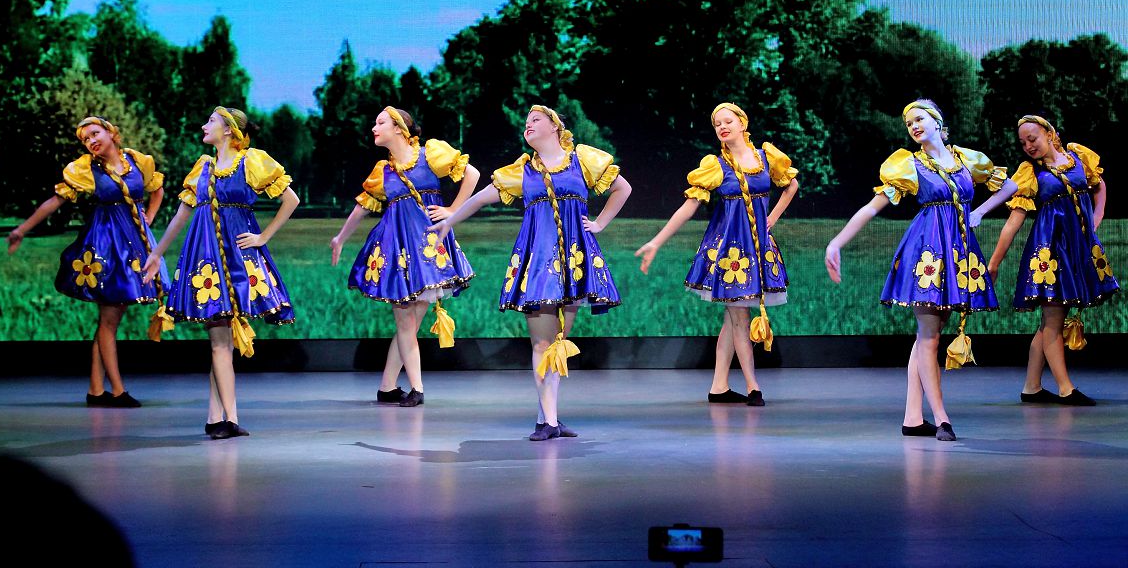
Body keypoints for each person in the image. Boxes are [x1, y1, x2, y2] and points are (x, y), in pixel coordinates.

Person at [432, 105, 632, 440]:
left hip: (573, 262)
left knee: (558, 341)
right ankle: (549, 422)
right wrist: (449, 221)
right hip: (538, 265)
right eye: (526, 122)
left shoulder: (582, 160)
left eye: (536, 119)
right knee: (541, 342)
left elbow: (622, 188)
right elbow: (479, 200)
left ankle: (547, 418)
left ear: (555, 126)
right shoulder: (521, 171)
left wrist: (599, 223)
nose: (528, 124)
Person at [825, 99, 1016, 441]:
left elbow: (1011, 186)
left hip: (957, 251)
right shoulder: (909, 165)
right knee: (929, 334)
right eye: (908, 123)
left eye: (919, 119)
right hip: (927, 250)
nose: (913, 126)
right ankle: (942, 418)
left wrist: (979, 211)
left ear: (937, 122)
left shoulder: (966, 159)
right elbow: (872, 208)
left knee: (932, 332)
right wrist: (836, 243)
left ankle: (913, 418)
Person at [143, 107, 299, 439]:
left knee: (221, 341)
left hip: (237, 257)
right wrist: (156, 253)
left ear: (228, 129)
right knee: (219, 340)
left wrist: (263, 237)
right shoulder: (202, 168)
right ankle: (224, 419)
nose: (204, 125)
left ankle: (221, 418)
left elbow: (291, 199)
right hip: (206, 257)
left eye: (211, 121)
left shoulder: (251, 161)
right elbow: (181, 216)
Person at [635, 102, 800, 405]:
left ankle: (719, 386)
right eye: (717, 124)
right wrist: (657, 242)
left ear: (742, 123)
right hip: (729, 252)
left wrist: (772, 217)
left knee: (733, 317)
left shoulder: (766, 157)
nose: (722, 127)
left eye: (728, 121)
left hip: (756, 246)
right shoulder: (716, 166)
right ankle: (753, 386)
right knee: (739, 316)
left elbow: (791, 185)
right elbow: (689, 206)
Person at [7, 116, 168, 408]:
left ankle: (96, 390)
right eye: (85, 139)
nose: (91, 141)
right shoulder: (87, 169)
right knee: (109, 319)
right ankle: (117, 391)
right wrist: (22, 229)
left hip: (134, 243)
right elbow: (55, 201)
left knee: (110, 320)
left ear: (110, 132)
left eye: (95, 133)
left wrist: (149, 218)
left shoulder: (136, 161)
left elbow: (157, 189)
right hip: (108, 246)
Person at [330, 107, 478, 407]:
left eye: (380, 122)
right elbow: (362, 207)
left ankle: (387, 387)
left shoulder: (429, 154)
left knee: (409, 324)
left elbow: (472, 174)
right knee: (406, 323)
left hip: (427, 250)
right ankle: (416, 388)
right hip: (398, 250)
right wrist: (340, 238)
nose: (374, 127)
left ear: (399, 128)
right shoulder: (382, 171)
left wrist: (452, 211)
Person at [987, 115, 1117, 406]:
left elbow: (1099, 185)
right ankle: (1065, 388)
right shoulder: (1030, 173)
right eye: (1023, 143)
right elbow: (1013, 222)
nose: (1028, 146)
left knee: (1050, 320)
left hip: (1076, 248)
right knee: (1053, 320)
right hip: (1050, 253)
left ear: (1049, 133)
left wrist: (1096, 218)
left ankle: (1031, 387)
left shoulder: (1077, 157)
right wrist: (994, 263)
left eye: (1032, 138)